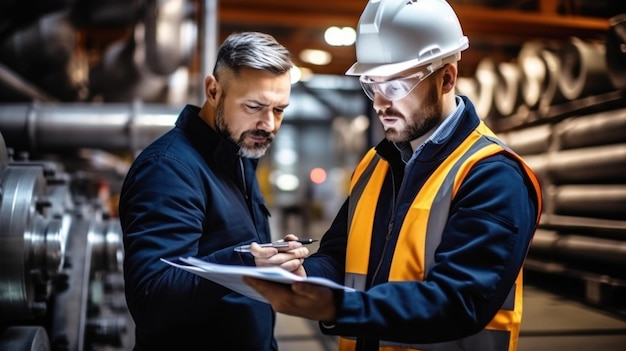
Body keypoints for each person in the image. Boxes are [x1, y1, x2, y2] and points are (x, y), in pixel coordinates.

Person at [243, 1, 543, 350]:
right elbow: (340, 256)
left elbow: (460, 301)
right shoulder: (375, 164)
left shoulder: (492, 176)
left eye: (397, 85)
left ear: (446, 78)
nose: (379, 103)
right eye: (372, 84)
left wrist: (340, 307)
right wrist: (305, 276)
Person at [118, 31, 297, 350]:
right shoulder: (168, 170)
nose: (268, 124)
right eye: (254, 106)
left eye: (279, 110)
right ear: (213, 90)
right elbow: (151, 300)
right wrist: (246, 263)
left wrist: (271, 261)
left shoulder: (240, 155)